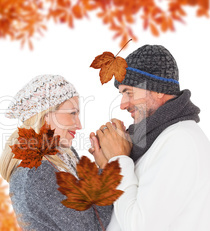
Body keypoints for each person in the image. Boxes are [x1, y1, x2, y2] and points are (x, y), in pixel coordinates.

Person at [89, 45, 210, 231]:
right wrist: (109, 169)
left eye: (129, 92)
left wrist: (118, 160)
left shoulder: (180, 141)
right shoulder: (157, 137)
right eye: (121, 94)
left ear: (158, 89)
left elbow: (139, 226)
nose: (122, 105)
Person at [0, 74, 113, 230]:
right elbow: (93, 226)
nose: (79, 125)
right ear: (46, 116)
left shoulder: (64, 155)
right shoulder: (40, 172)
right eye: (73, 113)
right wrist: (106, 167)